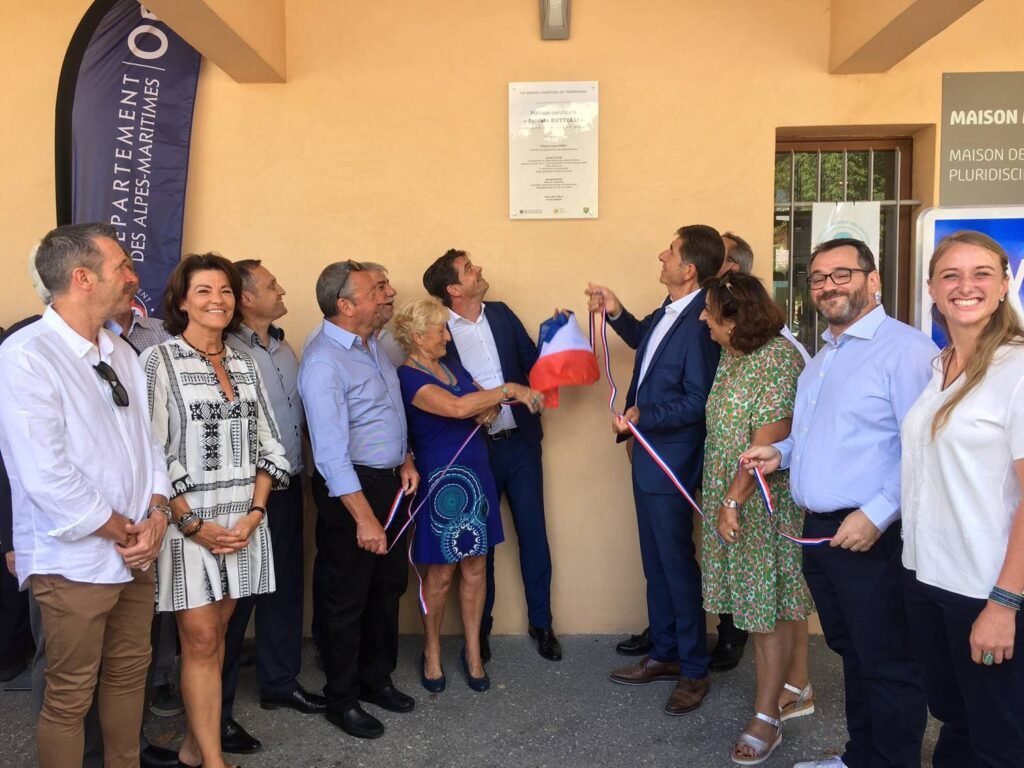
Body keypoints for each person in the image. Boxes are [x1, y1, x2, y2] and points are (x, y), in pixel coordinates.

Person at [741, 238, 935, 768]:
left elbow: (924, 448)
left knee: (888, 661)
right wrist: (779, 453)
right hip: (823, 534)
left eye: (842, 274)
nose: (829, 286)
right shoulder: (825, 356)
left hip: (874, 534)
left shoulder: (905, 351)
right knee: (854, 652)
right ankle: (862, 756)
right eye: (819, 278)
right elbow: (820, 436)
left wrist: (877, 513)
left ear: (874, 280)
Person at [0, 223, 171, 768]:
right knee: (69, 695)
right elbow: (45, 474)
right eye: (122, 266)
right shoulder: (27, 354)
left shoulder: (119, 350)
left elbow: (150, 445)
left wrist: (158, 514)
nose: (132, 277)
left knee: (128, 677)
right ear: (82, 278)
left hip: (135, 552)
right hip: (74, 561)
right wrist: (126, 530)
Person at [142, 253, 291, 768]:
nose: (217, 300)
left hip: (244, 524)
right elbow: (151, 453)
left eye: (225, 290)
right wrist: (191, 523)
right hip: (189, 524)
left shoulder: (246, 363)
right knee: (201, 639)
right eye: (204, 291)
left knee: (219, 635)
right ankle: (213, 760)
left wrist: (255, 514)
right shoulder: (159, 362)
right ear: (182, 302)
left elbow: (271, 446)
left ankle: (193, 748)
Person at [586, 224, 723, 716]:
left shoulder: (704, 321)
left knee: (675, 564)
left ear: (689, 270)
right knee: (656, 561)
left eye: (671, 251)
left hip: (672, 459)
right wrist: (616, 311)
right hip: (647, 455)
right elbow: (646, 338)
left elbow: (699, 400)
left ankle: (693, 669)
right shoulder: (671, 309)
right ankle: (665, 652)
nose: (661, 255)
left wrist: (644, 415)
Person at [900, 231, 1024, 767]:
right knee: (955, 719)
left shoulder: (1017, 370)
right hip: (928, 579)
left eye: (981, 274)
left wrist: (1004, 604)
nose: (965, 286)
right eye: (950, 275)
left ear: (1003, 286)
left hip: (984, 587)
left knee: (999, 739)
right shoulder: (940, 365)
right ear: (932, 289)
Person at [393, 297, 545, 691]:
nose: (447, 336)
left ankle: (474, 652)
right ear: (416, 337)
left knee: (476, 566)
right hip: (443, 482)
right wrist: (505, 391)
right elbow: (462, 408)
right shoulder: (408, 377)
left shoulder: (451, 366)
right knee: (441, 572)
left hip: (477, 473)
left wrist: (487, 402)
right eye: (439, 330)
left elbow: (484, 407)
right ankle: (431, 651)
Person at [299, 260, 419, 740]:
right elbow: (330, 455)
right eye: (377, 289)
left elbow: (382, 416)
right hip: (352, 491)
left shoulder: (373, 346)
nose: (389, 294)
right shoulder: (324, 361)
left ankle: (375, 679)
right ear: (345, 305)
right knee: (345, 598)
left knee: (386, 588)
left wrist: (405, 457)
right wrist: (365, 520)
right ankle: (342, 698)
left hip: (389, 483)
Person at [422, 248, 561, 662]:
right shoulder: (438, 332)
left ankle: (542, 623)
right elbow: (442, 390)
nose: (479, 269)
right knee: (481, 545)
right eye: (468, 269)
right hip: (474, 450)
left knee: (533, 533)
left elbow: (532, 362)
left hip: (520, 444)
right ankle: (478, 633)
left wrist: (557, 339)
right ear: (453, 288)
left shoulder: (500, 314)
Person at [699, 272, 814, 764]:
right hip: (731, 496)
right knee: (781, 601)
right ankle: (798, 687)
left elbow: (765, 445)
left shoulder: (778, 362)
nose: (703, 318)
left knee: (764, 609)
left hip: (758, 503)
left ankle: (766, 718)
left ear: (735, 319)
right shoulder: (734, 355)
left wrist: (732, 501)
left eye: (710, 312)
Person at [219, 259, 326, 755]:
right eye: (271, 285)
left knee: (283, 588)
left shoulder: (284, 348)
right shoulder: (223, 351)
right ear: (246, 298)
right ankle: (215, 711)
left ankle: (279, 683)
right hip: (242, 497)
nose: (282, 290)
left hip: (287, 487)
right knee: (233, 601)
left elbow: (297, 418)